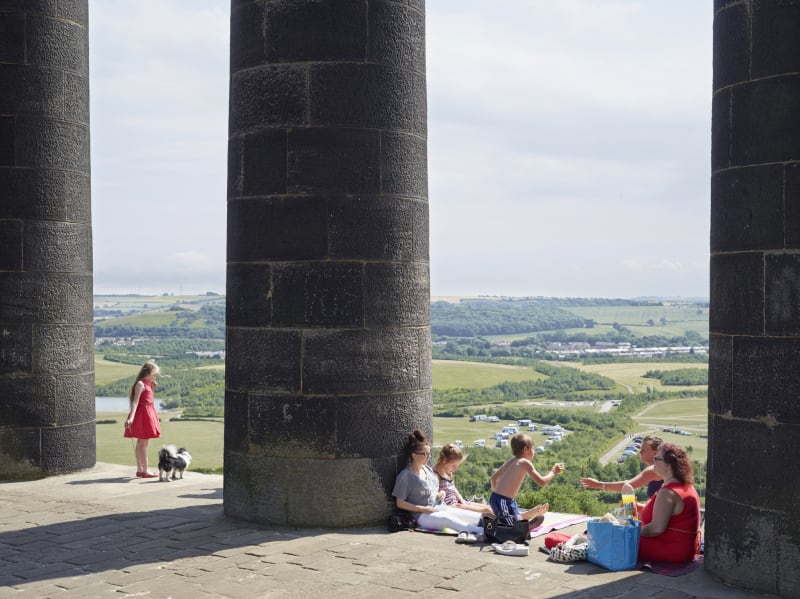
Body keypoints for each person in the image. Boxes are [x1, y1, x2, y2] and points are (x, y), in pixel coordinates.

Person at [392, 430, 484, 537]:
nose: (429, 457)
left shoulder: (427, 470)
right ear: (414, 455)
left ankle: (490, 529)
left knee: (476, 516)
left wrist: (440, 493)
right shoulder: (405, 476)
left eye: (429, 453)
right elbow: (400, 503)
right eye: (424, 454)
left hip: (440, 507)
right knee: (448, 520)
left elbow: (433, 491)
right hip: (422, 516)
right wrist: (423, 509)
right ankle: (480, 532)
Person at [638, 443, 701, 563]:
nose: (653, 461)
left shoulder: (668, 492)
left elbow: (656, 528)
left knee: (615, 540)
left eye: (657, 458)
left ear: (668, 464)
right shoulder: (686, 486)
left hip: (671, 550)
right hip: (685, 549)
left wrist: (631, 532)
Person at [489, 432, 564, 526]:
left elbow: (493, 479)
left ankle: (518, 524)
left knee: (514, 517)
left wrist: (496, 494)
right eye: (532, 448)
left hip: (501, 499)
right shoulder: (525, 462)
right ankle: (522, 529)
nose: (534, 452)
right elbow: (542, 482)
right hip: (503, 500)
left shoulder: (512, 460)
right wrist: (554, 472)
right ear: (526, 449)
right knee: (511, 527)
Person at [580, 435, 664, 499]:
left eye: (644, 450)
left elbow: (627, 486)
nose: (640, 452)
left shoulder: (655, 470)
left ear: (655, 453)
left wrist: (598, 484)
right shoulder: (665, 467)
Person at [123, 360, 162, 478]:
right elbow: (135, 402)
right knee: (143, 443)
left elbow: (147, 399)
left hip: (148, 413)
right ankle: (145, 470)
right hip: (143, 415)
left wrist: (152, 388)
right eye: (154, 374)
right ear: (148, 373)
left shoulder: (148, 383)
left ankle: (140, 469)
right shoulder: (140, 384)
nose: (156, 376)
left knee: (141, 442)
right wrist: (131, 418)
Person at [433, 443, 494, 516]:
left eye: (457, 466)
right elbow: (434, 494)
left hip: (458, 502)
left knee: (489, 507)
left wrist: (462, 501)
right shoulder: (436, 475)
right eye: (453, 466)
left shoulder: (448, 472)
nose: (455, 469)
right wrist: (440, 494)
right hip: (450, 506)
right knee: (486, 510)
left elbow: (453, 489)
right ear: (444, 460)